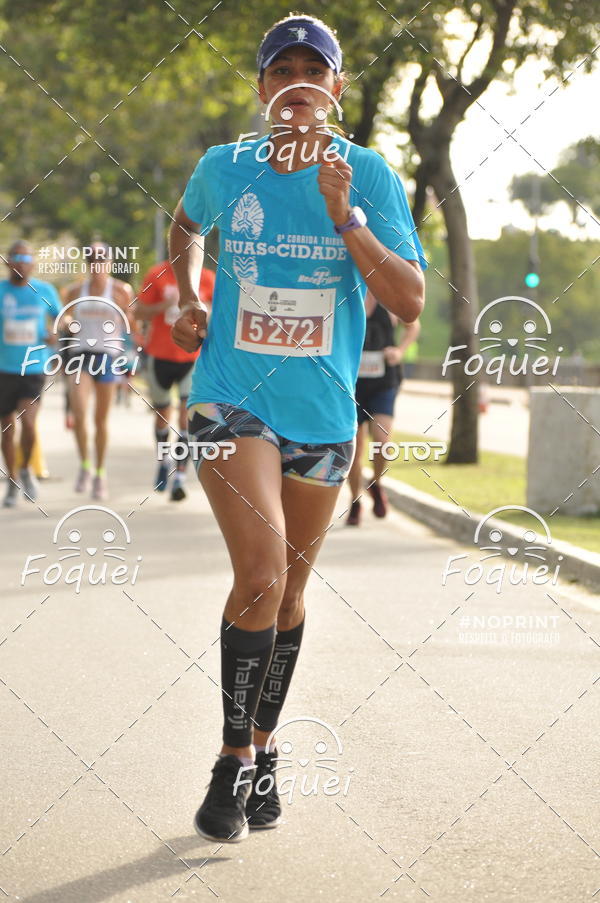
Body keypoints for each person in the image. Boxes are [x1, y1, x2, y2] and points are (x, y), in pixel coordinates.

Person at [169, 13, 427, 843]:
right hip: (229, 398)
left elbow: (410, 300)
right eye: (281, 73)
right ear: (262, 89)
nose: (296, 88)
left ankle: (266, 749)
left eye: (312, 73)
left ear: (337, 90)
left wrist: (346, 217)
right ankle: (232, 760)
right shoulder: (225, 166)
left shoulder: (371, 175)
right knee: (262, 572)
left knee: (290, 594)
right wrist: (186, 289)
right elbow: (184, 223)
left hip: (323, 415)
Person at [136, 259, 215, 501]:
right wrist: (163, 305)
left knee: (185, 416)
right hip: (160, 355)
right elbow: (138, 311)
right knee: (162, 418)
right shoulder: (157, 274)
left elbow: (221, 313)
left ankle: (179, 476)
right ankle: (163, 461)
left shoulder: (208, 277)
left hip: (192, 357)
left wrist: (206, 313)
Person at [62, 241, 134, 500]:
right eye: (92, 260)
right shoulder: (73, 291)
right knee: (80, 414)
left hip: (108, 355)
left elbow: (131, 325)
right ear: (88, 264)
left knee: (100, 420)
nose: (97, 265)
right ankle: (85, 465)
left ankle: (100, 473)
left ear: (110, 262)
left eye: (101, 260)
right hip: (80, 354)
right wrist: (68, 323)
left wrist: (126, 310)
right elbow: (65, 317)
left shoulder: (120, 289)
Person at [347, 291, 421, 525]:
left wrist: (399, 351)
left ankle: (376, 483)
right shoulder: (349, 297)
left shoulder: (387, 299)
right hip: (353, 385)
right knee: (355, 452)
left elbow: (413, 326)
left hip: (383, 383)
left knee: (382, 441)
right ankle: (355, 501)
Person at [0, 240, 61, 507]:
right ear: (8, 263)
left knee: (29, 422)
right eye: (16, 258)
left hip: (34, 367)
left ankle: (26, 469)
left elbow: (63, 318)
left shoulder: (44, 289)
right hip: (3, 369)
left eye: (26, 259)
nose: (21, 264)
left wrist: (56, 332)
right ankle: (12, 480)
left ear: (33, 264)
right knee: (7, 430)